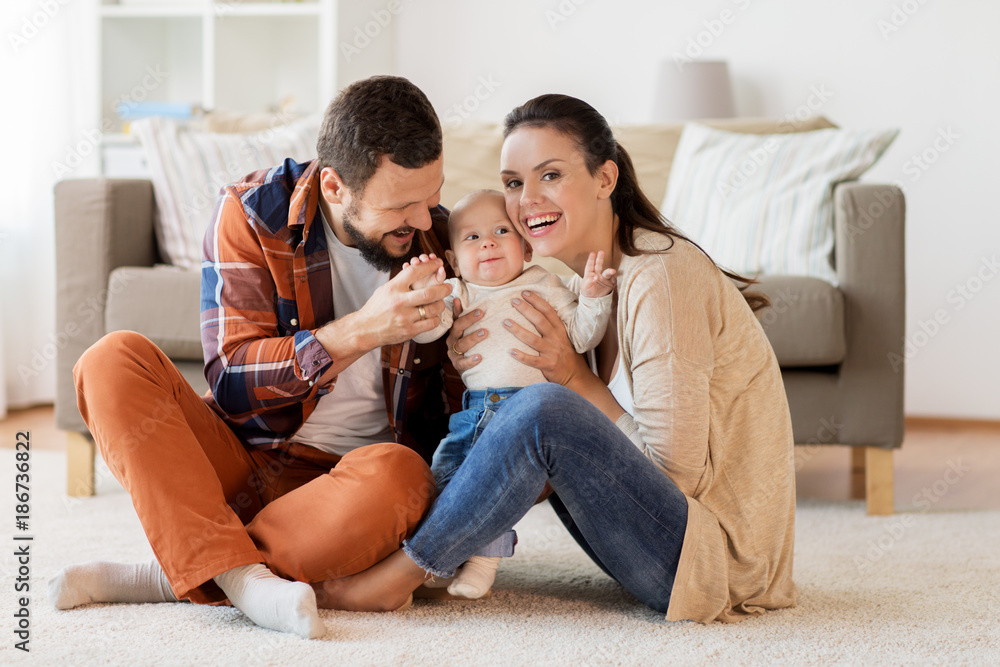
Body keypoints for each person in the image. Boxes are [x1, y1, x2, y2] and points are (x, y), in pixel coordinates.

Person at [311, 94, 799, 624]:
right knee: (518, 407)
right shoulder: (573, 288)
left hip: (715, 562)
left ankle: (402, 576)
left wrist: (572, 379)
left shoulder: (659, 275)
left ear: (605, 179)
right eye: (515, 183)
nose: (526, 201)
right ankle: (434, 554)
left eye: (550, 175)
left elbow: (675, 476)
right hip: (661, 541)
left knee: (543, 408)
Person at [48, 76, 465, 638]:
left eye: (432, 196)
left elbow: (469, 411)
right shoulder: (252, 210)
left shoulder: (445, 240)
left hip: (352, 491)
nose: (422, 221)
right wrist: (363, 330)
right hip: (242, 463)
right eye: (402, 205)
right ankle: (244, 575)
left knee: (401, 475)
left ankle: (175, 571)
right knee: (110, 360)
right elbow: (232, 383)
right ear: (336, 187)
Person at [407, 189, 616, 598]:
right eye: (471, 237)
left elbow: (582, 335)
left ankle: (484, 561)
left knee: (501, 485)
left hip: (532, 414)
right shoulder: (458, 291)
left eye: (501, 231)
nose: (487, 242)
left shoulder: (544, 283)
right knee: (446, 478)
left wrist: (594, 297)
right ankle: (447, 554)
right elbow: (429, 332)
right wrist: (426, 295)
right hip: (476, 412)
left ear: (525, 247)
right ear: (453, 260)